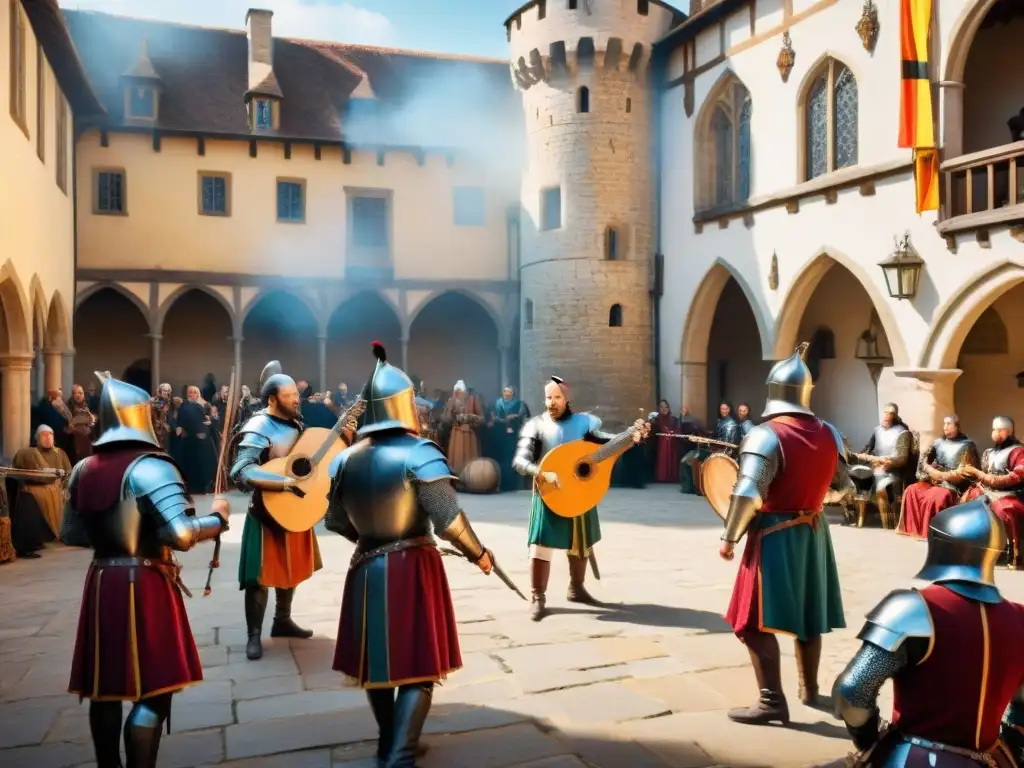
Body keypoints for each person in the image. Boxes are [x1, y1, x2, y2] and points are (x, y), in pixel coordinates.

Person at [326, 342, 493, 767]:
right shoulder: (420, 453)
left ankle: (390, 741)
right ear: (402, 406)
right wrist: (480, 554)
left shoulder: (345, 460)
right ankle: (399, 756)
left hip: (365, 567)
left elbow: (336, 522)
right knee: (419, 667)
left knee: (376, 665)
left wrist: (373, 540)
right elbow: (448, 518)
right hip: (412, 568)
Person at [65, 373, 229, 768]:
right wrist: (218, 519)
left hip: (102, 581)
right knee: (152, 690)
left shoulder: (82, 468)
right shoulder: (151, 466)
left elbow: (70, 533)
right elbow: (182, 535)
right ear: (141, 416)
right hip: (145, 583)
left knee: (104, 687)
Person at [832, 499, 1024, 766]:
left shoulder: (913, 609)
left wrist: (869, 741)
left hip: (913, 757)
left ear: (941, 544)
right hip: (991, 759)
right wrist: (1013, 747)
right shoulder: (1020, 618)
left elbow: (852, 691)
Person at [719, 344, 848, 725]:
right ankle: (809, 689)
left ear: (773, 390)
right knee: (808, 615)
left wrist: (729, 537)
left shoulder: (765, 435)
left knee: (751, 619)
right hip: (814, 532)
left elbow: (747, 493)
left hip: (775, 534)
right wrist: (808, 496)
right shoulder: (831, 433)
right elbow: (842, 489)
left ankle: (771, 701)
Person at [230, 361, 359, 661]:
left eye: (296, 394)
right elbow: (241, 469)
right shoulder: (258, 425)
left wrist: (346, 438)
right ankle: (253, 635)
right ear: (273, 399)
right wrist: (282, 482)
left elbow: (321, 458)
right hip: (266, 511)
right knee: (258, 576)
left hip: (294, 508)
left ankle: (282, 620)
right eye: (289, 395)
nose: (296, 398)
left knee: (290, 570)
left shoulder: (295, 424)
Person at [513, 376, 649, 621]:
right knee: (541, 546)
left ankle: (577, 588)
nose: (551, 402)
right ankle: (538, 597)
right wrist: (540, 472)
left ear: (566, 399)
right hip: (549, 493)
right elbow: (520, 461)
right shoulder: (535, 425)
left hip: (580, 491)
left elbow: (607, 444)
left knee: (582, 542)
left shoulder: (584, 424)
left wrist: (631, 435)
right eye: (548, 397)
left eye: (557, 398)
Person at [898, 414, 978, 538]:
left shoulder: (967, 445)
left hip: (951, 484)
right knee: (911, 490)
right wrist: (928, 471)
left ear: (957, 426)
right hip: (933, 480)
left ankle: (932, 533)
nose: (945, 427)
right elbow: (924, 460)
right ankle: (913, 529)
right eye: (944, 424)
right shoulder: (938, 443)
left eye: (949, 424)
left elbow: (966, 473)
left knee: (936, 497)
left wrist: (940, 475)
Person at [959, 416, 1024, 566]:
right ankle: (976, 548)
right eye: (994, 429)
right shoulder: (989, 452)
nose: (994, 433)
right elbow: (984, 476)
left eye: (998, 430)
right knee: (971, 499)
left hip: (1011, 493)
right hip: (988, 490)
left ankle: (1009, 551)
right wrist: (970, 474)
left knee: (1003, 509)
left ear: (1008, 431)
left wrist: (980, 474)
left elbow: (1016, 476)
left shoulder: (1018, 451)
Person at [10, 425, 71, 556]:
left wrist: (65, 488)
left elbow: (68, 474)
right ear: (37, 438)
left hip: (56, 488)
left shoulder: (60, 453)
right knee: (29, 497)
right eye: (44, 435)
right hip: (36, 488)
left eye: (50, 435)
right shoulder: (30, 454)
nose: (48, 438)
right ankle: (30, 541)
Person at [848, 403, 913, 527]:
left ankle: (887, 522)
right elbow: (868, 448)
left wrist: (888, 461)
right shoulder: (877, 430)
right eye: (885, 413)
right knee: (856, 477)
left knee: (882, 486)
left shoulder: (902, 432)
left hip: (892, 470)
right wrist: (858, 457)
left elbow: (902, 458)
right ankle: (859, 518)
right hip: (875, 467)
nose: (886, 416)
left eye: (890, 413)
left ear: (894, 416)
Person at [492, 386, 528, 492]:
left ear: (513, 393)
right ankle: (502, 485)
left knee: (513, 456)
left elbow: (523, 415)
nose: (507, 394)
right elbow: (493, 417)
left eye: (509, 392)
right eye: (505, 392)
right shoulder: (497, 403)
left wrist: (515, 416)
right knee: (502, 458)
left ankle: (513, 485)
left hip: (514, 434)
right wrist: (499, 420)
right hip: (500, 434)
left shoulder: (519, 403)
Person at [652, 399, 681, 484]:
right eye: (661, 407)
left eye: (666, 407)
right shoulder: (656, 420)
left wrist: (671, 432)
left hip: (672, 444)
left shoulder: (673, 419)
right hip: (659, 445)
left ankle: (672, 476)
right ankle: (661, 476)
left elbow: (678, 430)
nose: (664, 409)